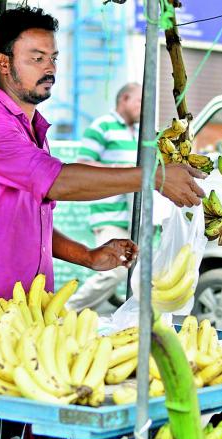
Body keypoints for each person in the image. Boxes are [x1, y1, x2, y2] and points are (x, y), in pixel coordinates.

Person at [0, 6, 205, 301]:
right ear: (3, 63)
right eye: (37, 58)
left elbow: (28, 224)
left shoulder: (31, 130)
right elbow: (58, 181)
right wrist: (153, 177)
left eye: (53, 58)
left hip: (24, 309)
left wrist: (86, 256)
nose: (49, 68)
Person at [66, 83, 142, 312]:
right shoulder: (102, 126)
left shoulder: (139, 132)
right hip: (108, 213)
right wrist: (121, 170)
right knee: (114, 270)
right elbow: (81, 164)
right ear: (125, 99)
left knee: (131, 269)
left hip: (133, 216)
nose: (143, 108)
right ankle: (65, 311)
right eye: (139, 102)